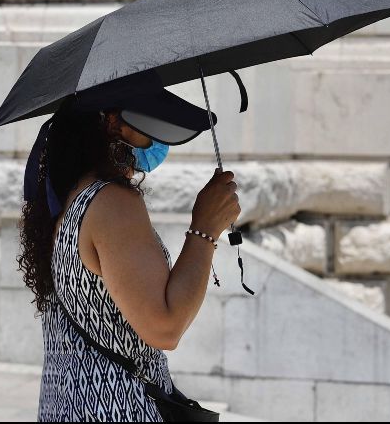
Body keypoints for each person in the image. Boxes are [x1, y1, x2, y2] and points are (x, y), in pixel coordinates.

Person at [19, 97, 240, 421]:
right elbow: (164, 328)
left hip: (69, 405)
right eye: (147, 124)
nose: (154, 141)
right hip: (119, 408)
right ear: (113, 122)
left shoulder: (70, 195)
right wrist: (205, 229)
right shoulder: (111, 203)